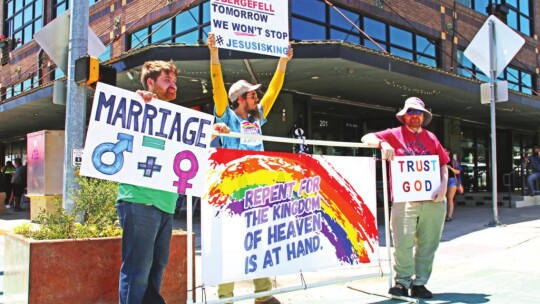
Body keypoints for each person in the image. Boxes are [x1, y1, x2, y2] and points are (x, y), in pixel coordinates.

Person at [208, 32, 293, 304]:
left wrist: (283, 61)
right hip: (231, 187)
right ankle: (225, 297)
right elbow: (217, 85)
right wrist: (214, 53)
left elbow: (274, 90)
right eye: (252, 95)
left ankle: (263, 294)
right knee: (230, 242)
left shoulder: (257, 118)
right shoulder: (226, 114)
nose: (257, 98)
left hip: (259, 187)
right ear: (240, 98)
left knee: (260, 239)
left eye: (256, 94)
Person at [361, 97, 449, 299]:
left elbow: (443, 164)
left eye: (418, 112)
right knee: (402, 241)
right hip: (405, 199)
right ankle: (402, 281)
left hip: (433, 200)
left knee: (428, 243)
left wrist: (444, 187)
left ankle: (420, 283)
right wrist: (382, 143)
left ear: (423, 115)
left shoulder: (432, 137)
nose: (415, 116)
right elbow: (366, 137)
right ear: (404, 116)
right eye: (410, 112)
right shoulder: (394, 134)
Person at [116, 60, 180, 304]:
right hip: (139, 199)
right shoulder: (139, 106)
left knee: (156, 269)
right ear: (150, 83)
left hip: (166, 203)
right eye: (167, 80)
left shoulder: (176, 118)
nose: (173, 85)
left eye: (174, 81)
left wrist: (211, 132)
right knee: (137, 270)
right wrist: (138, 100)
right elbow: (123, 116)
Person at [445, 148, 461, 222]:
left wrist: (450, 168)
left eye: (445, 151)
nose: (444, 152)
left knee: (449, 198)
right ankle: (444, 215)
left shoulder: (453, 161)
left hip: (451, 180)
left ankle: (449, 216)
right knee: (443, 199)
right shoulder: (439, 160)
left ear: (448, 152)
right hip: (443, 180)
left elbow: (458, 171)